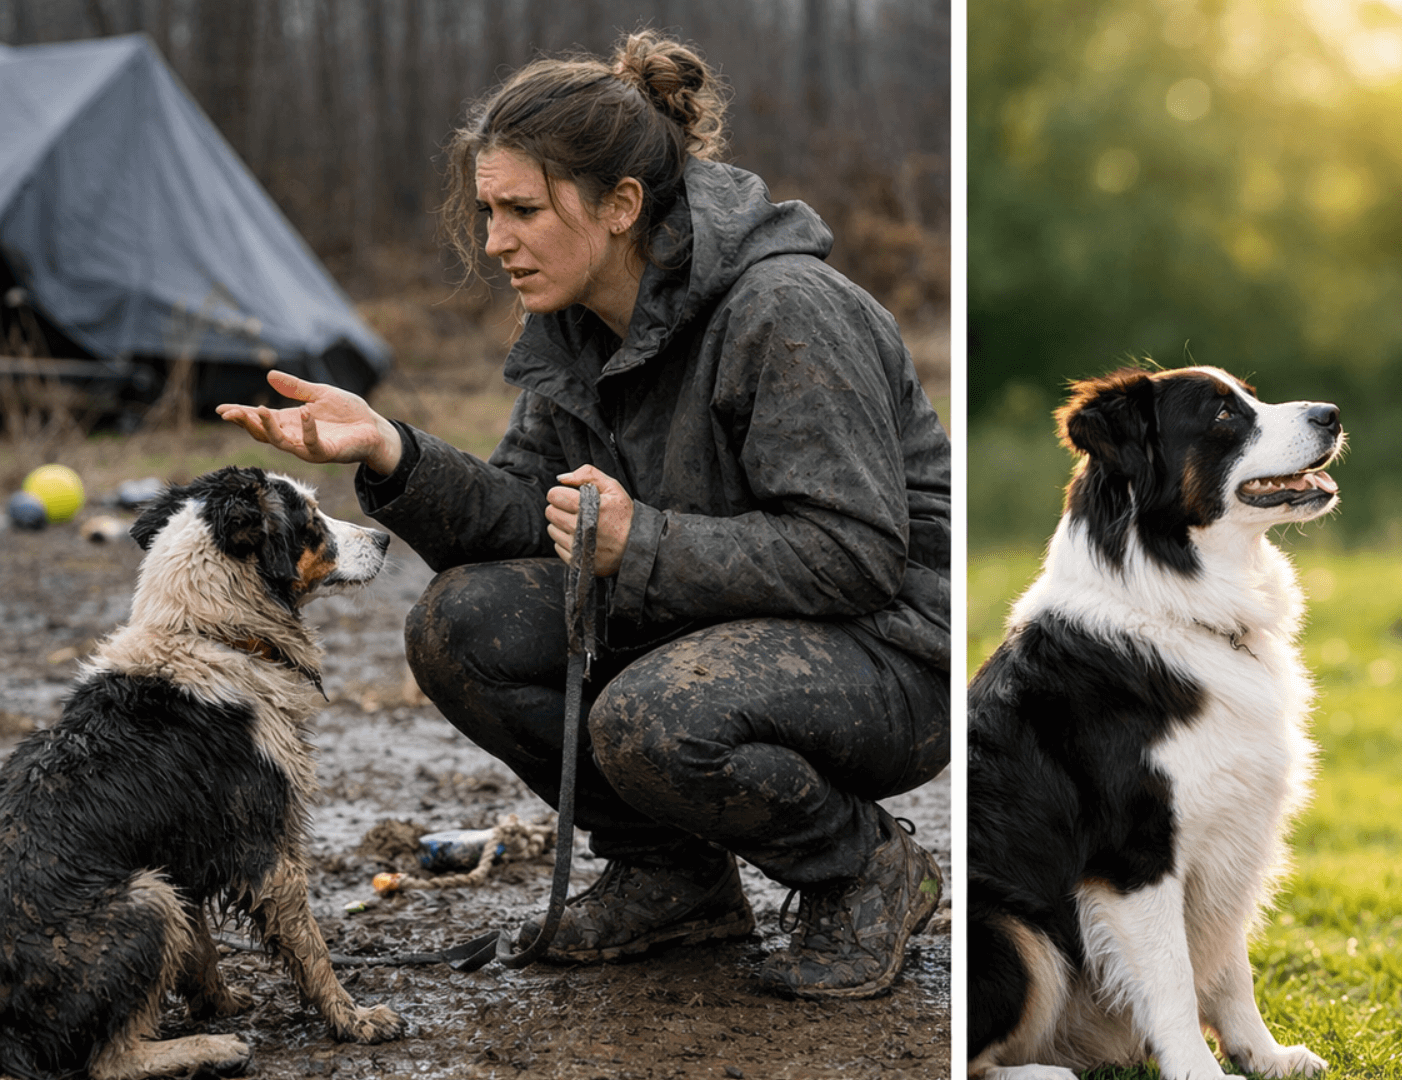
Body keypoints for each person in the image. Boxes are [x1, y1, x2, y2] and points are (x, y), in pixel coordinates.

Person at [217, 29, 950, 1001]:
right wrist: (390, 448)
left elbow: (853, 555)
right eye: (486, 211)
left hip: (888, 657)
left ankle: (864, 868)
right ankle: (672, 879)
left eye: (521, 210)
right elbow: (527, 521)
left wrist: (636, 545)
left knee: (649, 717)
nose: (494, 241)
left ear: (622, 205)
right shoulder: (572, 329)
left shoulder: (788, 309)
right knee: (459, 626)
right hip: (723, 630)